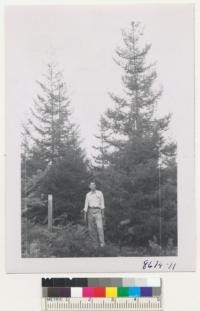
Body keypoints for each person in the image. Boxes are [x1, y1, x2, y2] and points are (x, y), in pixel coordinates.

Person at [83, 181, 105, 247]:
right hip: (90, 211)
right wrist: (84, 216)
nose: (92, 186)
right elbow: (86, 205)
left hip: (98, 211)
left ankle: (102, 244)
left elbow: (102, 204)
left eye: (93, 185)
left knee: (99, 228)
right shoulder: (87, 194)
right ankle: (94, 245)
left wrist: (103, 214)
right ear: (89, 187)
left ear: (95, 186)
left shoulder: (100, 193)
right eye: (91, 185)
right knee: (91, 229)